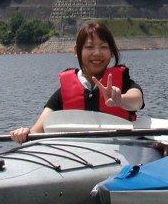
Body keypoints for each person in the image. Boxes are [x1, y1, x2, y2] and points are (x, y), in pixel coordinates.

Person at [9, 21, 144, 143]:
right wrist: (26, 133)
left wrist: (120, 99)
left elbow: (137, 101)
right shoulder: (65, 91)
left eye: (103, 47)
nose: (97, 53)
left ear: (111, 52)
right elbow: (38, 129)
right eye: (89, 47)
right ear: (76, 51)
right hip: (79, 154)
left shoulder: (123, 83)